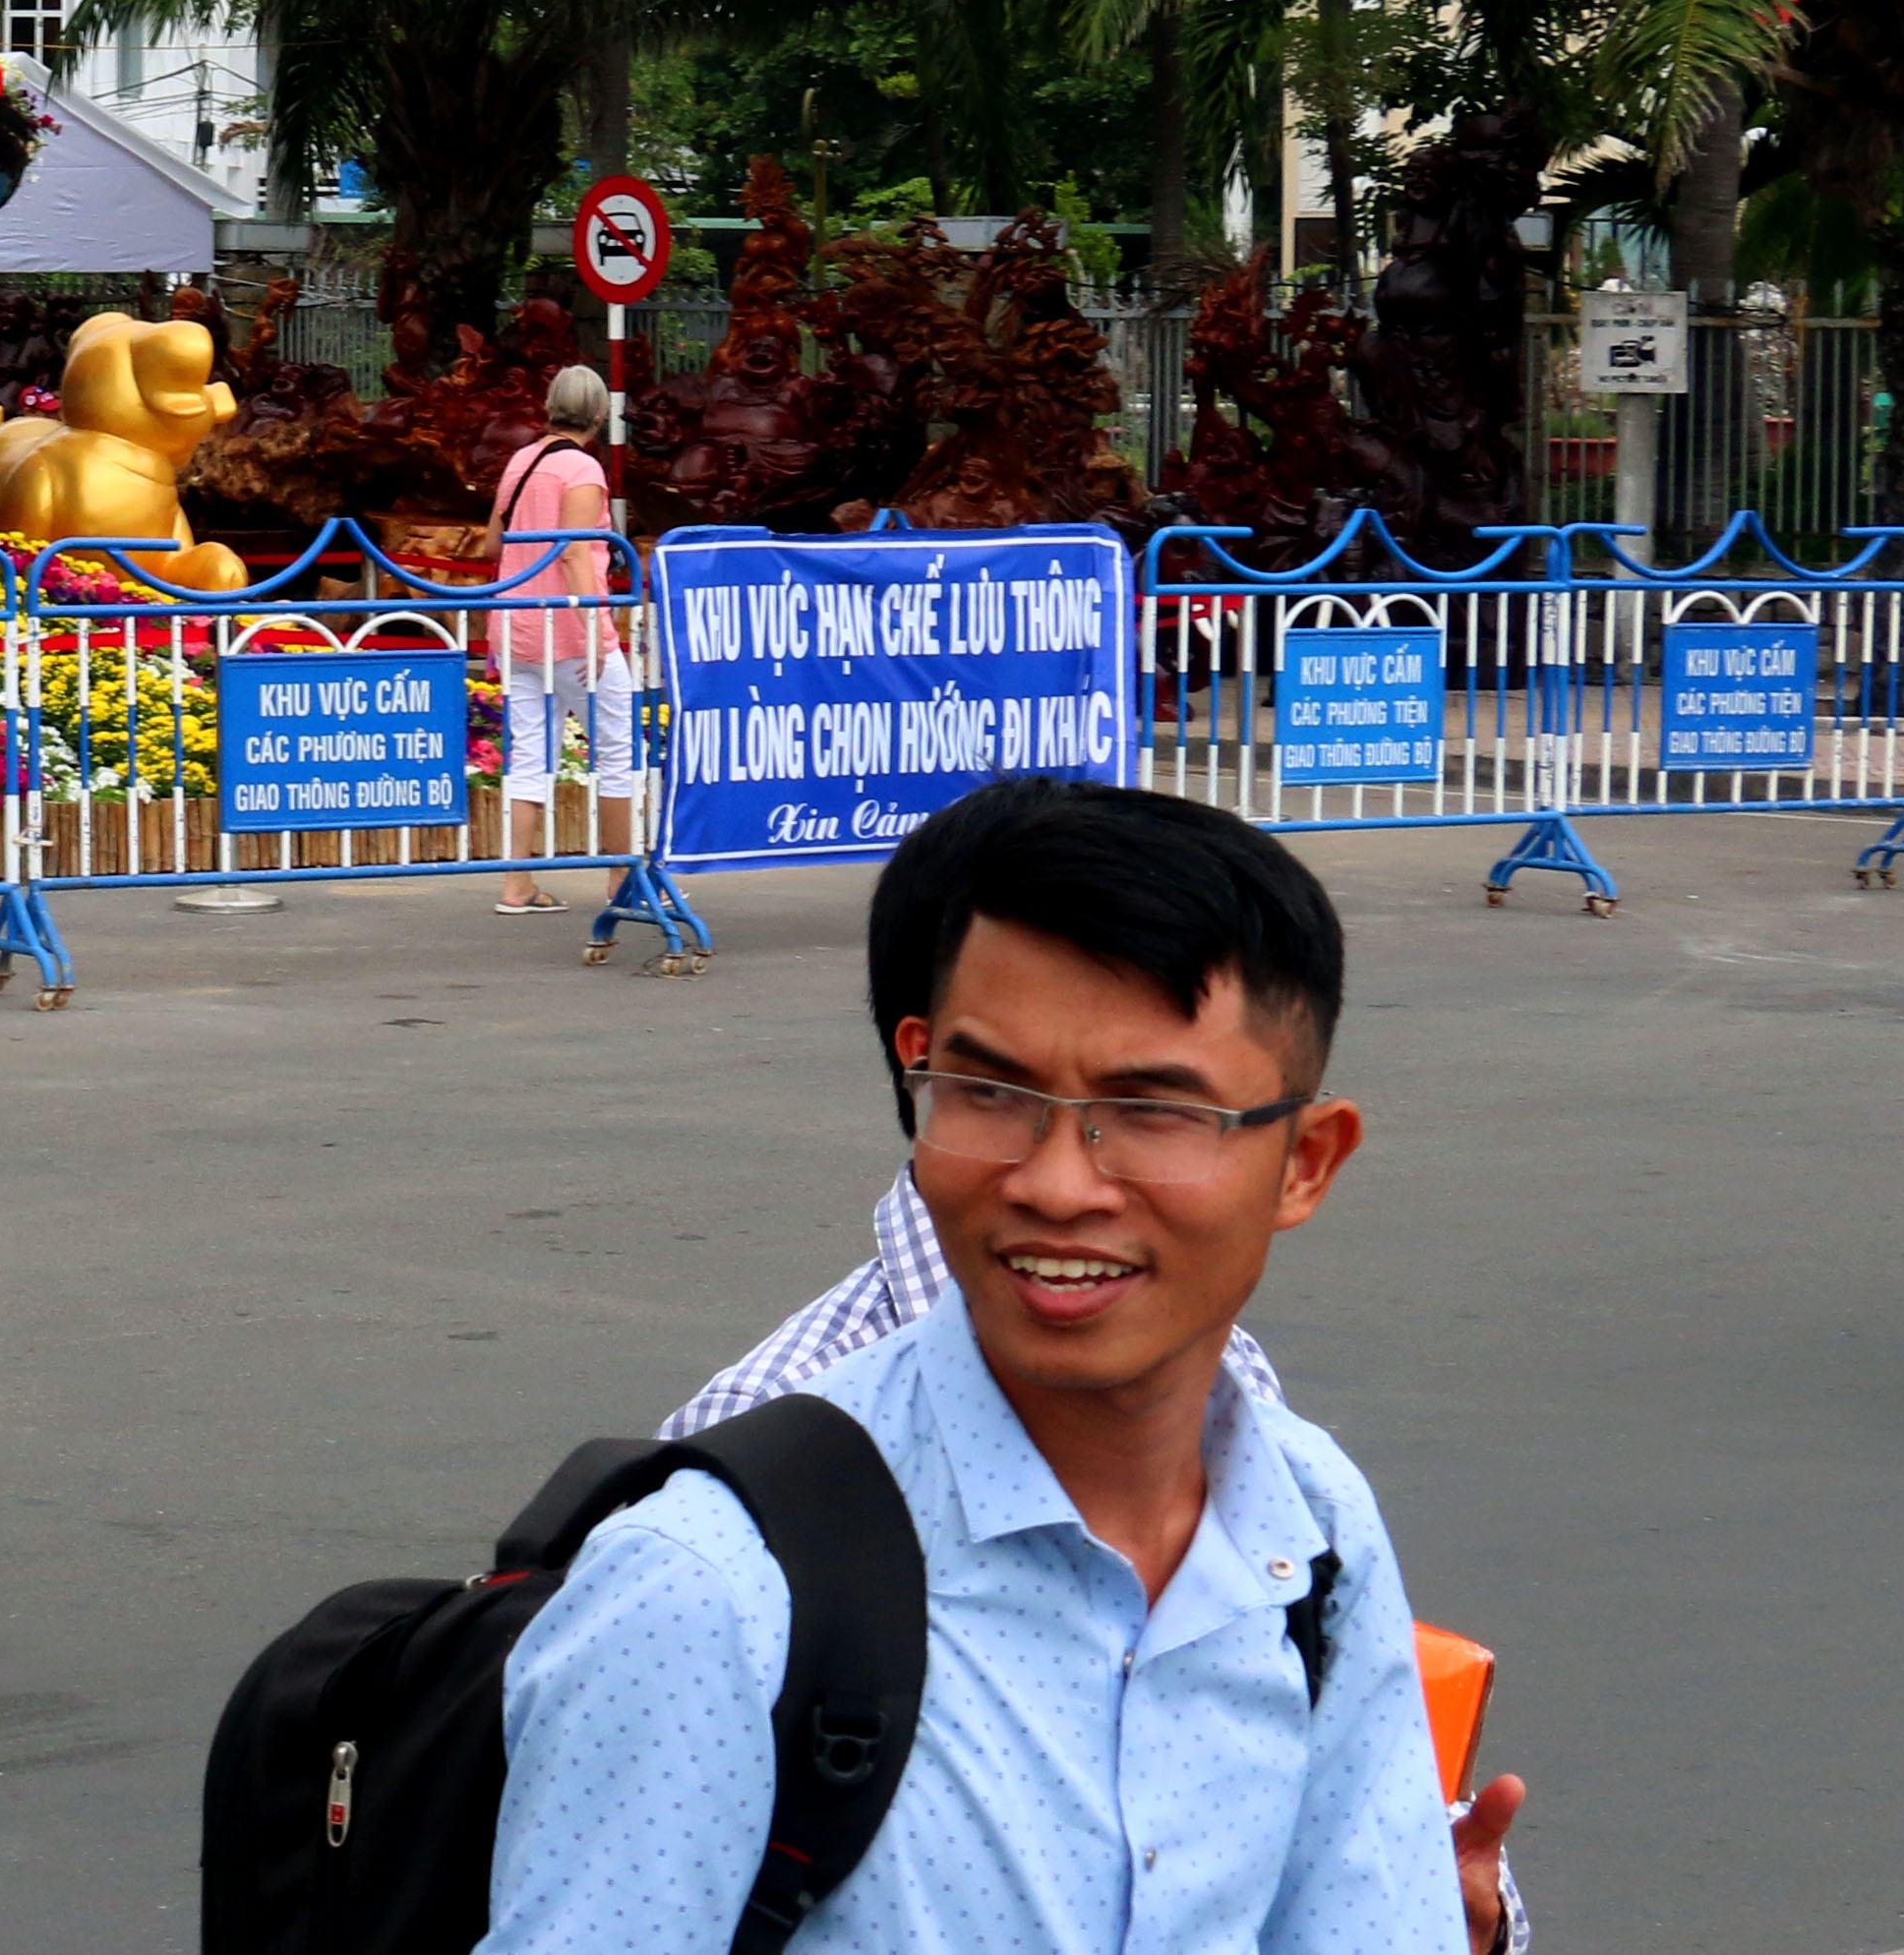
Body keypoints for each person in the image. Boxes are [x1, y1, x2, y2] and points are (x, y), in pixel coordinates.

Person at [483, 778, 1479, 1952]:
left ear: (1305, 1163)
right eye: (990, 1093)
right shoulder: (711, 1587)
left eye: (1150, 1111)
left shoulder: (1311, 1531)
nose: (1055, 1185)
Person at [485, 367, 636, 918]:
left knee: (529, 753)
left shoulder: (520, 461)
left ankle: (516, 883)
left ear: (550, 405)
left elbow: (492, 544)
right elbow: (574, 551)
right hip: (572, 632)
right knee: (617, 751)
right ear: (600, 414)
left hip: (516, 626)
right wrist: (596, 629)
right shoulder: (583, 468)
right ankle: (622, 878)